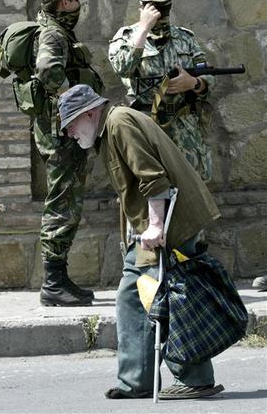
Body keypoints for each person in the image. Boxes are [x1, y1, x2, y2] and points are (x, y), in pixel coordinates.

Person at [57, 83, 225, 400]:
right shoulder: (112, 127)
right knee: (139, 294)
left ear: (89, 113)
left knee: (163, 295)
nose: (69, 134)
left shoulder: (118, 123)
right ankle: (142, 380)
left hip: (171, 222)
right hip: (160, 224)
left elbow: (151, 177)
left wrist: (157, 226)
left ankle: (188, 379)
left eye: (71, 125)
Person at [33, 0, 104, 306]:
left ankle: (58, 279)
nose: (78, 5)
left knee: (66, 201)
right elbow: (48, 69)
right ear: (64, 2)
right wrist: (74, 103)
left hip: (61, 132)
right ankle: (52, 283)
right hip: (62, 135)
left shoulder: (54, 29)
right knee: (63, 203)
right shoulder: (52, 33)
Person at [108, 0, 216, 182]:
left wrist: (193, 83)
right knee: (152, 191)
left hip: (184, 127)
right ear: (141, 5)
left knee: (191, 189)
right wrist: (143, 29)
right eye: (150, 3)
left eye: (161, 4)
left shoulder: (185, 38)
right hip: (146, 127)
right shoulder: (126, 37)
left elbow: (209, 75)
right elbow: (123, 68)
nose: (156, 9)